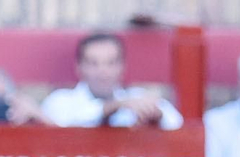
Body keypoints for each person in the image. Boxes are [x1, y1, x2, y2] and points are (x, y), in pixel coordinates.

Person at [41, 33, 183, 130]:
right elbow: (66, 126)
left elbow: (177, 124)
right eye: (93, 63)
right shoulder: (60, 101)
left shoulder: (137, 98)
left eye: (111, 63)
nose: (103, 71)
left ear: (122, 66)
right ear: (79, 67)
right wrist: (115, 106)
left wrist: (156, 116)